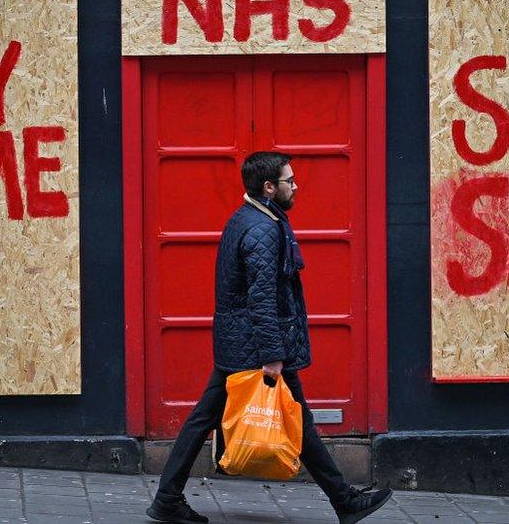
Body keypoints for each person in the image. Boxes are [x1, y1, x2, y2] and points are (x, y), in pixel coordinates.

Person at [147, 152, 393, 524]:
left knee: (206, 418)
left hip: (240, 342)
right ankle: (344, 501)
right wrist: (272, 354)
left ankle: (167, 497)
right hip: (256, 346)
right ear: (268, 187)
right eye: (288, 180)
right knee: (298, 420)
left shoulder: (249, 217)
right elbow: (261, 297)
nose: (295, 186)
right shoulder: (262, 228)